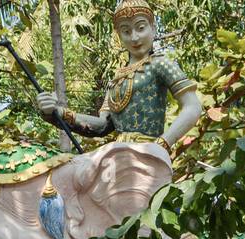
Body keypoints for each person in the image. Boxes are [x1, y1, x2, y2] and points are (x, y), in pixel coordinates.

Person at [36, 0, 201, 149]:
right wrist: (57, 111)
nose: (134, 37)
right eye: (126, 31)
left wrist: (163, 143)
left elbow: (192, 106)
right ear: (119, 36)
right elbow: (102, 125)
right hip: (118, 152)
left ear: (153, 28)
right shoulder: (116, 79)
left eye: (141, 28)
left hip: (148, 150)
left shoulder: (160, 63)